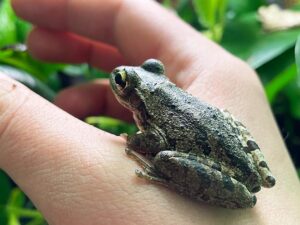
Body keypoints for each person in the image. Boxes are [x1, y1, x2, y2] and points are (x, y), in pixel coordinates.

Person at [0, 0, 299, 224]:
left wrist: (133, 143)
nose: (120, 79)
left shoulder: (147, 112)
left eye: (122, 83)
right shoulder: (157, 98)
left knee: (164, 159)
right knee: (189, 146)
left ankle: (168, 177)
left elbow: (154, 141)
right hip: (225, 148)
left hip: (214, 159)